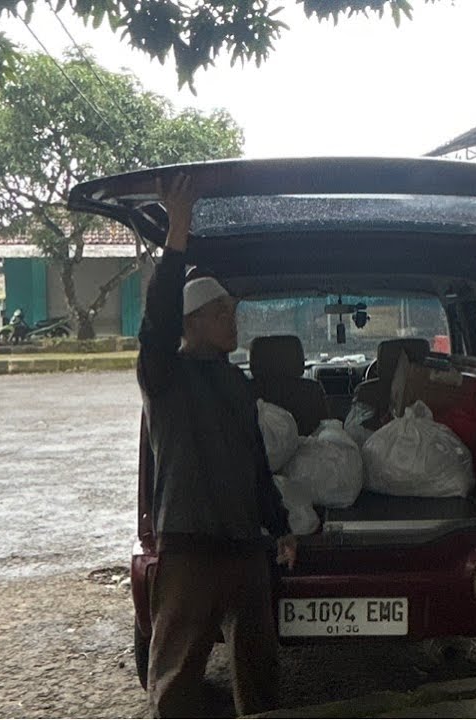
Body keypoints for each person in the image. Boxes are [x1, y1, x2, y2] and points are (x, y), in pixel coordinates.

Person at [138, 174, 297, 718]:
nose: (233, 321)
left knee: (259, 672)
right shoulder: (164, 375)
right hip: (190, 549)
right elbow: (156, 322)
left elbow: (254, 461)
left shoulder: (234, 380)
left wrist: (279, 527)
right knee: (177, 679)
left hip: (244, 549)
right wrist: (177, 232)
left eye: (234, 312)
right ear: (191, 323)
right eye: (221, 313)